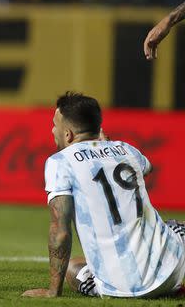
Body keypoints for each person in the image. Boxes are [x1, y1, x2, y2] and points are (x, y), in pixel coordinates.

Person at [22, 92, 185, 298]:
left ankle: (103, 285)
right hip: (171, 272)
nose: (52, 130)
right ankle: (170, 285)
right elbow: (146, 167)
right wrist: (108, 147)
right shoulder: (126, 150)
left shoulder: (59, 162)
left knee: (73, 267)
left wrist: (53, 291)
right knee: (174, 226)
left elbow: (60, 232)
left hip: (119, 290)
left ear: (68, 134)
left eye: (55, 125)